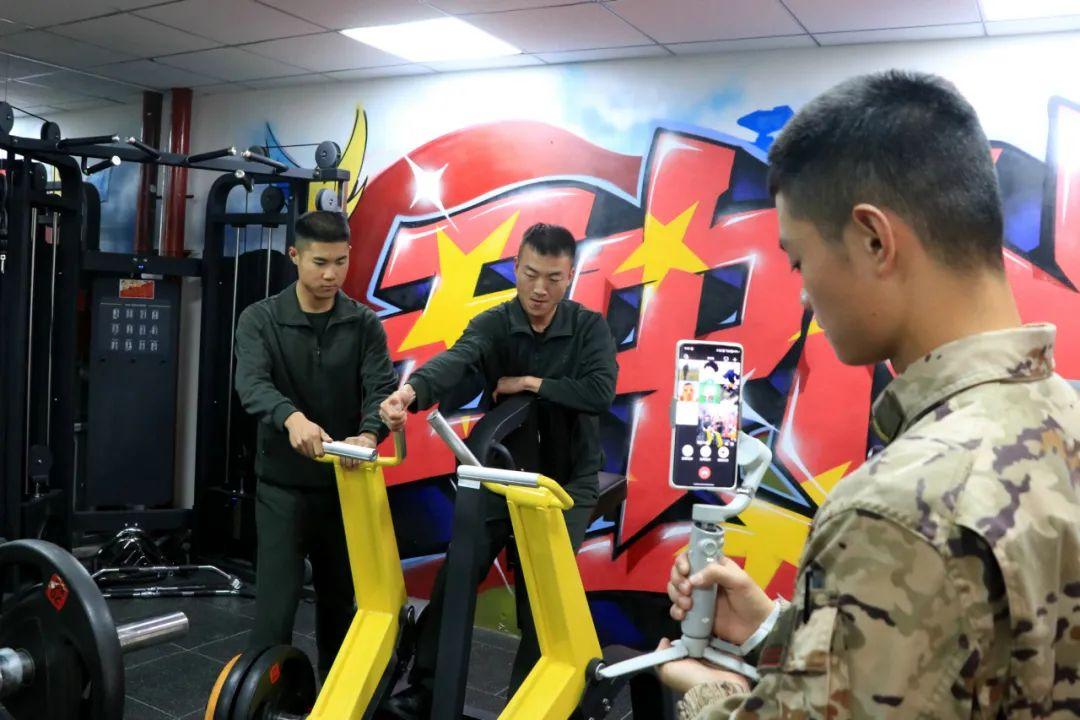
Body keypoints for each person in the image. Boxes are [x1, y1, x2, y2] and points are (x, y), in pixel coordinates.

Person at [661, 70, 1080, 718]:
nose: (804, 293)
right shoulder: (1065, 416)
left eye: (799, 260)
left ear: (873, 240)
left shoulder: (896, 511)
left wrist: (709, 695)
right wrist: (778, 631)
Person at [378, 222, 618, 718]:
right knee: (456, 576)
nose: (539, 288)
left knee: (543, 600)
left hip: (565, 483)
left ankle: (528, 706)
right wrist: (411, 393)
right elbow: (458, 358)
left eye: (553, 277)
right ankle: (426, 689)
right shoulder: (495, 323)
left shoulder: (588, 328)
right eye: (530, 274)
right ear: (515, 268)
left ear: (570, 276)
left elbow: (599, 392)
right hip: (501, 475)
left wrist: (530, 382)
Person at [233, 210, 398, 679]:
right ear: (295, 256)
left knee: (340, 609)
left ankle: (334, 700)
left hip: (344, 487)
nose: (331, 275)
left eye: (340, 262)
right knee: (274, 613)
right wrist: (291, 417)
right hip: (282, 488)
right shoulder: (260, 319)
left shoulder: (364, 324)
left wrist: (369, 432)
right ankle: (266, 699)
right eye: (320, 262)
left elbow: (381, 389)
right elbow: (252, 384)